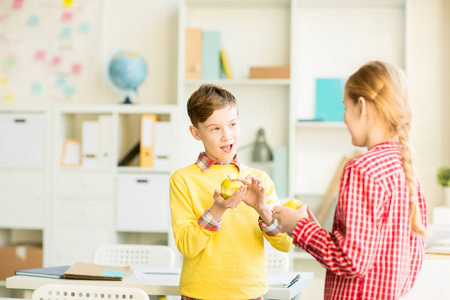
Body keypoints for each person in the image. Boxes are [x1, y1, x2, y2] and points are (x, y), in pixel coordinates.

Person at [272, 61, 428, 300]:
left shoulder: (362, 169)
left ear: (362, 106)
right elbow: (412, 260)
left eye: (345, 106)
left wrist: (299, 227)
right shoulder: (405, 170)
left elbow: (350, 260)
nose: (344, 117)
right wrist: (311, 226)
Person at [170, 83, 293, 300]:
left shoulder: (259, 181)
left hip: (250, 294)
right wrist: (217, 210)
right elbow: (187, 247)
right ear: (196, 133)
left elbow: (285, 244)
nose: (227, 136)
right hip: (199, 294)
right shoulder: (183, 180)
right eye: (215, 128)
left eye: (233, 124)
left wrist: (261, 208)